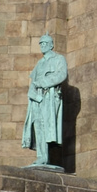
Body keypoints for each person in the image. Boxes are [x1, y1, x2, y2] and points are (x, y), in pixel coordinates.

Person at [22, 34, 68, 167]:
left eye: (45, 43)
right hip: (37, 99)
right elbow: (32, 84)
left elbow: (61, 74)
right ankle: (41, 156)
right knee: (38, 126)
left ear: (51, 45)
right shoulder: (39, 64)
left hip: (50, 97)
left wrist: (43, 82)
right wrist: (35, 96)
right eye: (41, 43)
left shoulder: (59, 59)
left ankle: (45, 156)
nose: (43, 46)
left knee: (47, 126)